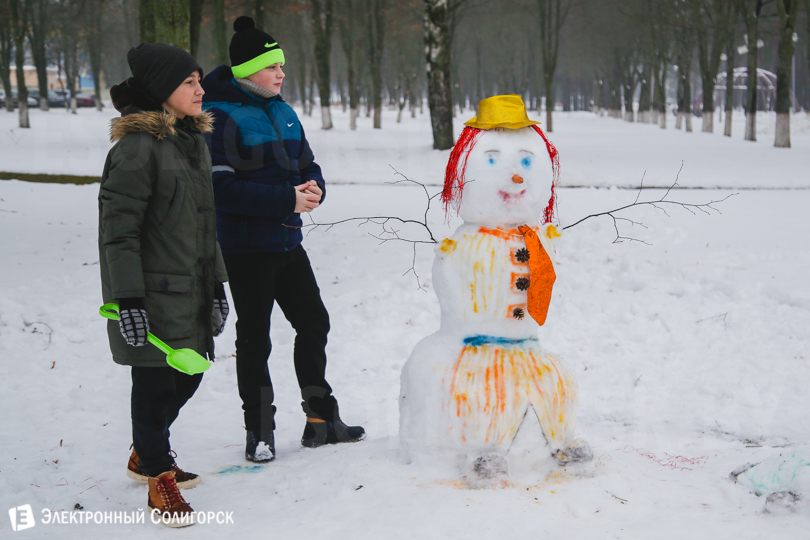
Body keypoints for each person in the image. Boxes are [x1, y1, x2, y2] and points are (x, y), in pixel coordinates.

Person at [201, 16, 364, 463]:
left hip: (289, 242)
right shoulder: (217, 117)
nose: (281, 73)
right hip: (245, 248)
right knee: (255, 339)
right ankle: (259, 431)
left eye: (281, 65)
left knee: (314, 324)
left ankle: (321, 419)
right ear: (246, 70)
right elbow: (221, 188)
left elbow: (308, 165)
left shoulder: (284, 111)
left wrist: (313, 189)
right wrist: (287, 199)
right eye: (272, 66)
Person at [99, 43, 229, 527]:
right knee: (155, 384)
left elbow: (205, 223)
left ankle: (144, 451)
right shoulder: (136, 150)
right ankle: (158, 477)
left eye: (199, 80)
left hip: (190, 286)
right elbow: (119, 232)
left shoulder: (190, 142)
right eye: (188, 82)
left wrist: (217, 285)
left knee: (190, 374)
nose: (200, 89)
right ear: (161, 90)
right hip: (151, 292)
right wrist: (127, 299)